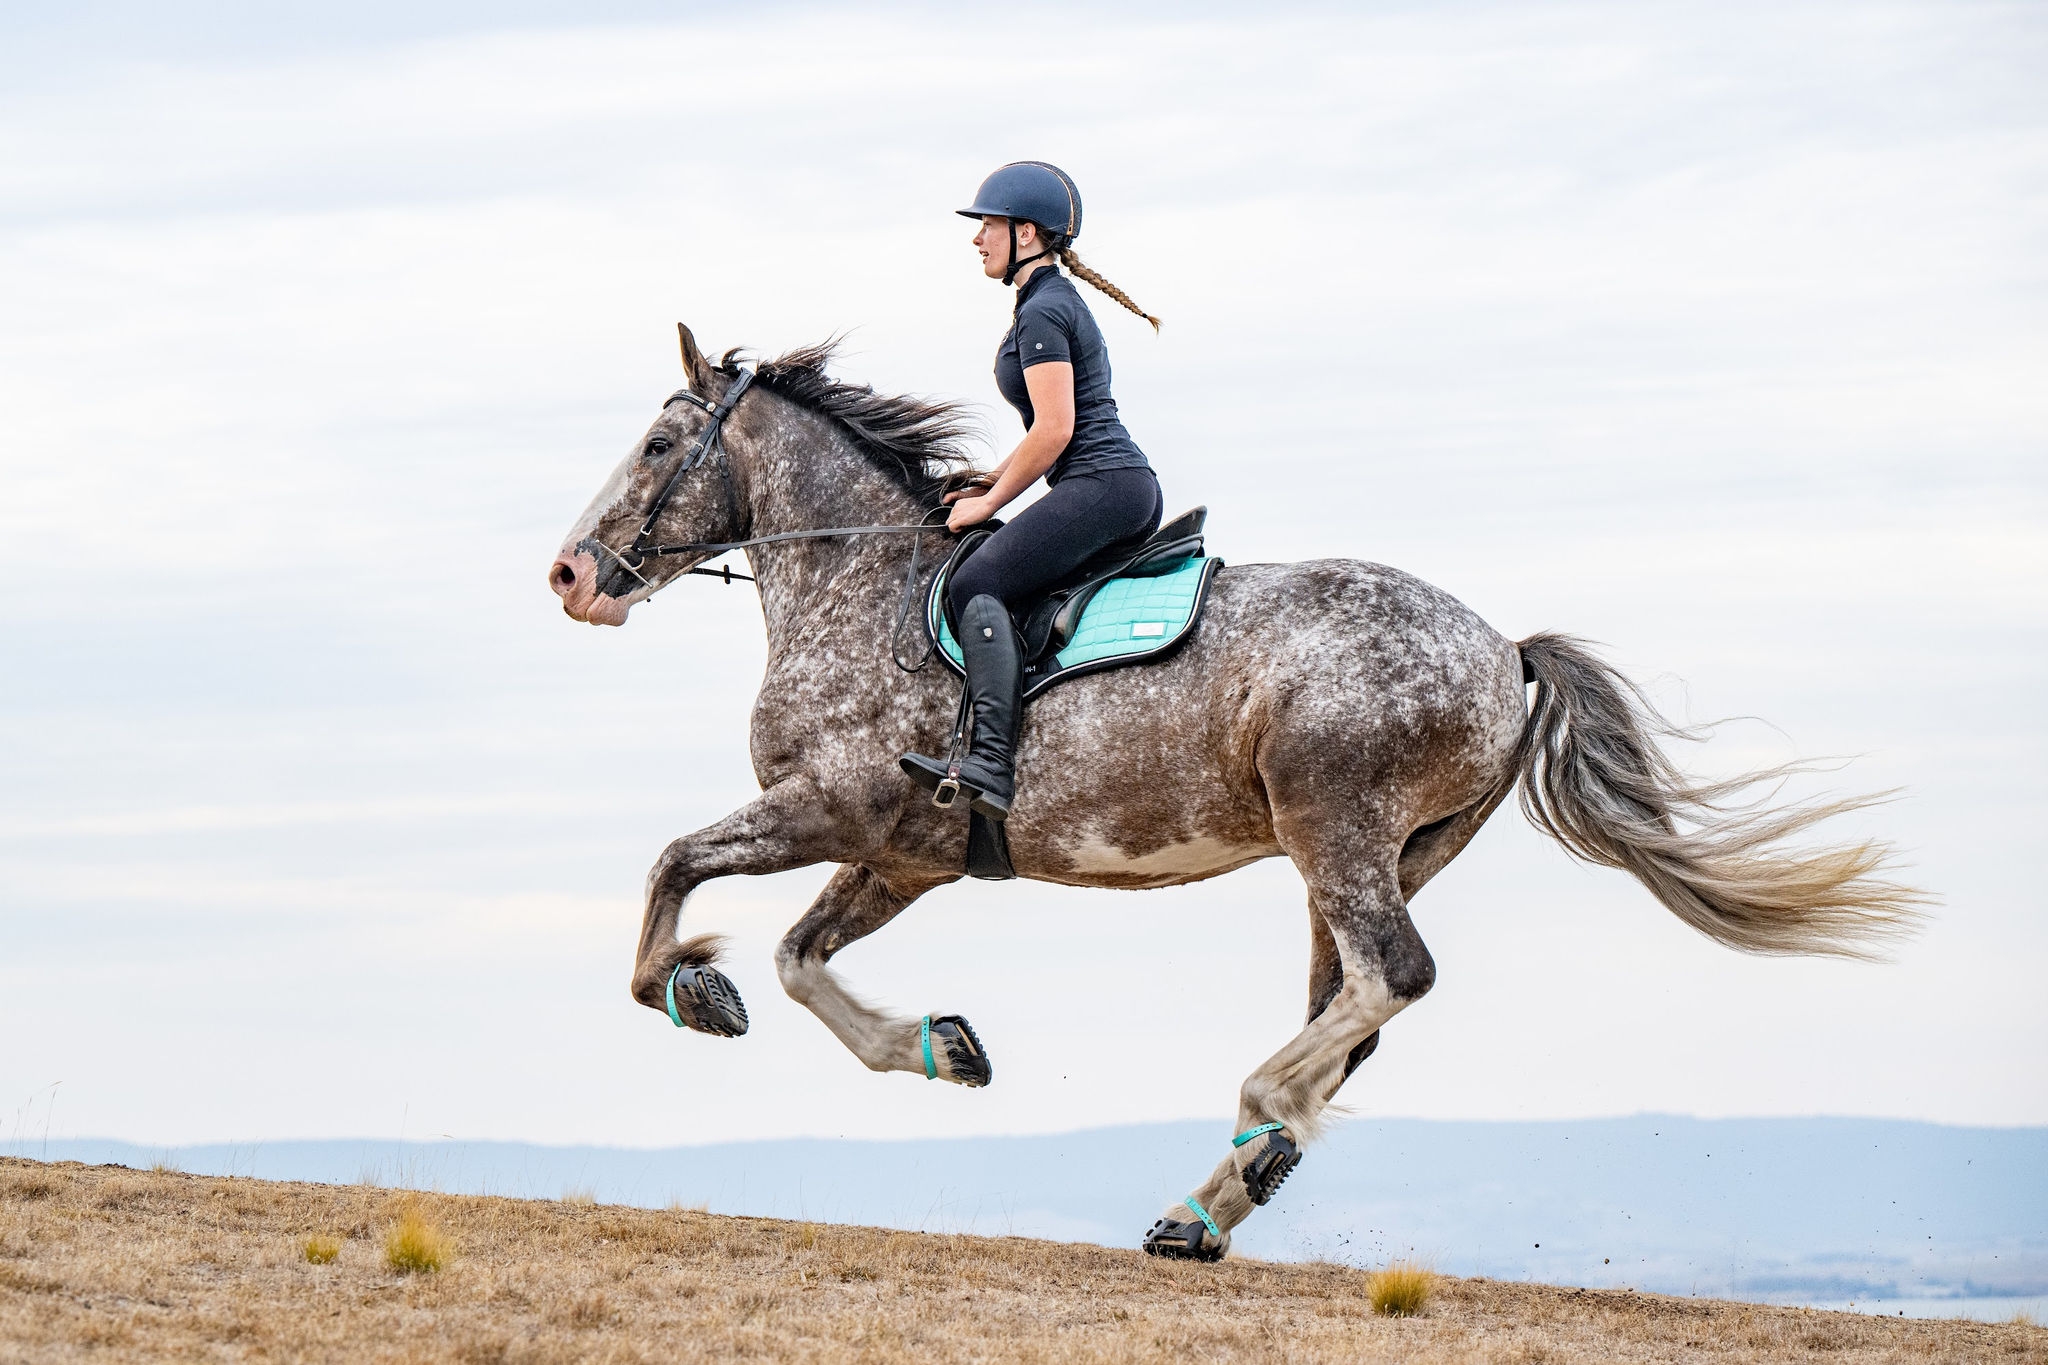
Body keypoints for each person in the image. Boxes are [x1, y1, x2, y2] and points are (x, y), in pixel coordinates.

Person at [899, 161, 1164, 821]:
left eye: (987, 224)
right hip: (1108, 484)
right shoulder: (1044, 304)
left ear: (1026, 232)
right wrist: (981, 481)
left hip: (1104, 484)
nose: (977, 238)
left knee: (971, 585)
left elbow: (1054, 430)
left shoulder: (1044, 311)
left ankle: (989, 760)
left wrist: (990, 505)